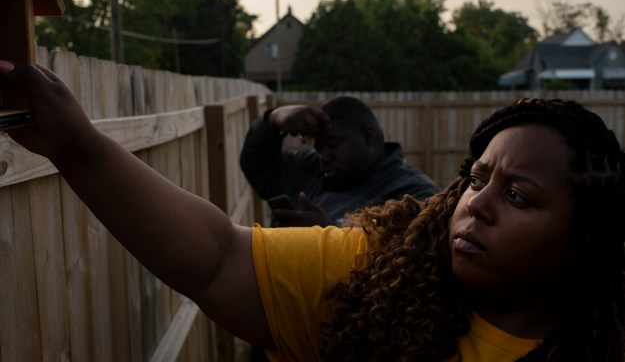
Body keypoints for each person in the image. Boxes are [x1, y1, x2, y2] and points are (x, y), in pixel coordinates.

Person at [2, 60, 625, 361]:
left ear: (584, 237)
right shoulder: (387, 273)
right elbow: (220, 255)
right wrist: (77, 147)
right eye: (476, 179)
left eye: (517, 197)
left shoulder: (399, 188)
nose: (476, 207)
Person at [239, 96, 439, 226]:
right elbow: (257, 165)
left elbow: (414, 253)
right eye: (318, 148)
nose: (323, 156)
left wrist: (330, 233)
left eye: (333, 143)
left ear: (368, 137)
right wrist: (272, 121)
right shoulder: (313, 167)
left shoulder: (416, 193)